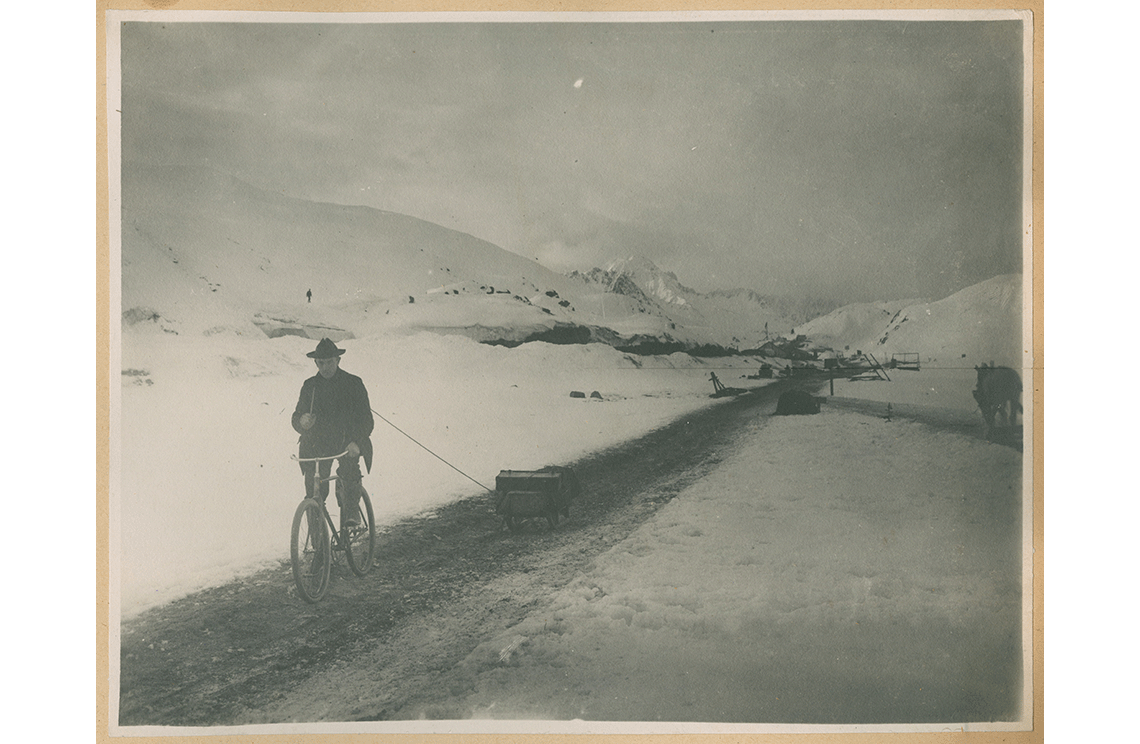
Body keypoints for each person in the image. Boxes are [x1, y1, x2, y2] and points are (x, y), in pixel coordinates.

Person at [292, 338, 374, 528]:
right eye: (321, 363)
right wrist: (302, 422)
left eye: (329, 362)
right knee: (314, 491)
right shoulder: (310, 386)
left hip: (347, 443)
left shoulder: (353, 383)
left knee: (349, 474)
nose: (325, 367)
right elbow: (296, 417)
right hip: (317, 445)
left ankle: (351, 512)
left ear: (338, 360)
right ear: (315, 363)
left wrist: (358, 443)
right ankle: (317, 543)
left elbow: (367, 420)